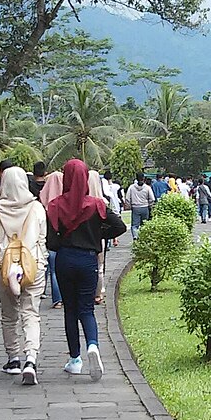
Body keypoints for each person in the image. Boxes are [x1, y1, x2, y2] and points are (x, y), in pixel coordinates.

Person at [46, 160, 125, 381]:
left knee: (70, 310)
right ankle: (93, 345)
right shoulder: (97, 205)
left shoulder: (55, 205)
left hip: (65, 259)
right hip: (89, 259)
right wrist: (97, 235)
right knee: (87, 309)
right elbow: (120, 226)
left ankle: (75, 359)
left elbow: (50, 242)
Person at [0, 167, 47, 385]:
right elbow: (42, 239)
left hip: (5, 268)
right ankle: (31, 358)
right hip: (34, 266)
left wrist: (6, 247)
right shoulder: (36, 208)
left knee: (8, 314)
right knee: (31, 312)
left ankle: (13, 358)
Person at [39, 170, 64, 309]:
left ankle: (57, 300)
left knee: (53, 270)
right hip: (64, 243)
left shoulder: (43, 207)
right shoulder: (66, 204)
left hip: (49, 243)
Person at [126, 174, 154, 239]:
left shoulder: (131, 187)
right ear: (144, 179)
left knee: (135, 225)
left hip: (135, 207)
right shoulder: (147, 188)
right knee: (144, 224)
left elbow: (127, 198)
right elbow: (152, 198)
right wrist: (149, 204)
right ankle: (144, 237)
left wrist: (130, 205)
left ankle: (135, 236)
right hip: (145, 207)